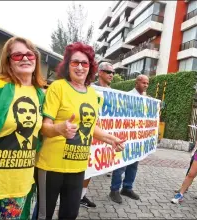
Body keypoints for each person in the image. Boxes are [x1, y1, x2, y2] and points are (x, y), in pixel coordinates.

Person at [35, 42, 125, 220]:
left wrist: (110, 139)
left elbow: (90, 127)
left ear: (90, 67)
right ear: (67, 65)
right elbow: (44, 127)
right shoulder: (58, 87)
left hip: (78, 167)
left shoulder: (93, 95)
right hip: (51, 166)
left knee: (70, 214)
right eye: (74, 62)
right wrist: (59, 129)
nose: (79, 67)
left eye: (84, 63)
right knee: (44, 215)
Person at [0, 37, 46, 219]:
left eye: (29, 54)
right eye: (18, 55)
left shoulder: (39, 93)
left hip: (19, 186)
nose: (25, 59)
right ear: (8, 61)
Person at [109, 74, 149, 204]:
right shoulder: (127, 96)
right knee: (121, 165)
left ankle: (127, 188)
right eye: (143, 83)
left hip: (137, 137)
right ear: (137, 83)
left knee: (133, 164)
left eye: (147, 83)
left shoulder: (146, 99)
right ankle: (114, 190)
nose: (146, 85)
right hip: (126, 137)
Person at [80, 61, 115, 208]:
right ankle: (73, 196)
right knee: (83, 168)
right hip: (88, 134)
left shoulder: (113, 92)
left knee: (91, 168)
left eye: (113, 73)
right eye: (108, 72)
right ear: (100, 72)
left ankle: (81, 196)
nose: (112, 75)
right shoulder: (90, 89)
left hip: (102, 135)